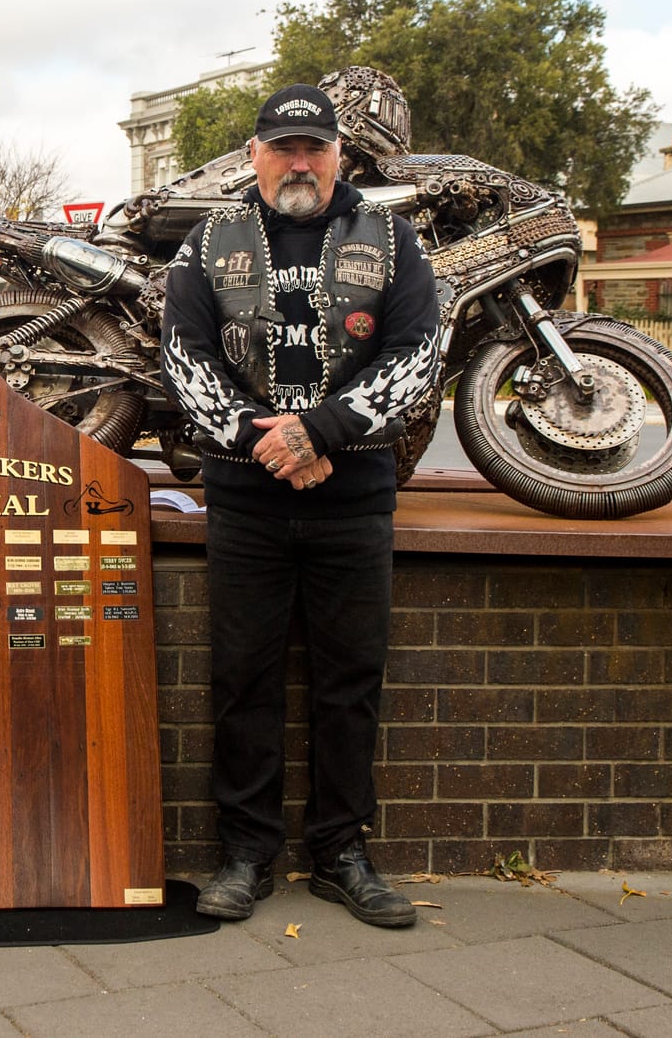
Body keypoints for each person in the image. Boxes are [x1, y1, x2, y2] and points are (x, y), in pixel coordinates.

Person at [160, 73, 438, 927]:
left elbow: (419, 354)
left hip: (353, 500)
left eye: (313, 146)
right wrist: (265, 441)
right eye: (282, 147)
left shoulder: (393, 240)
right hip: (245, 501)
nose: (298, 162)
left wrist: (317, 430)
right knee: (243, 678)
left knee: (348, 680)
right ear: (254, 156)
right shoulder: (205, 245)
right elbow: (183, 359)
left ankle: (341, 853)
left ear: (338, 153)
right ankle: (245, 853)